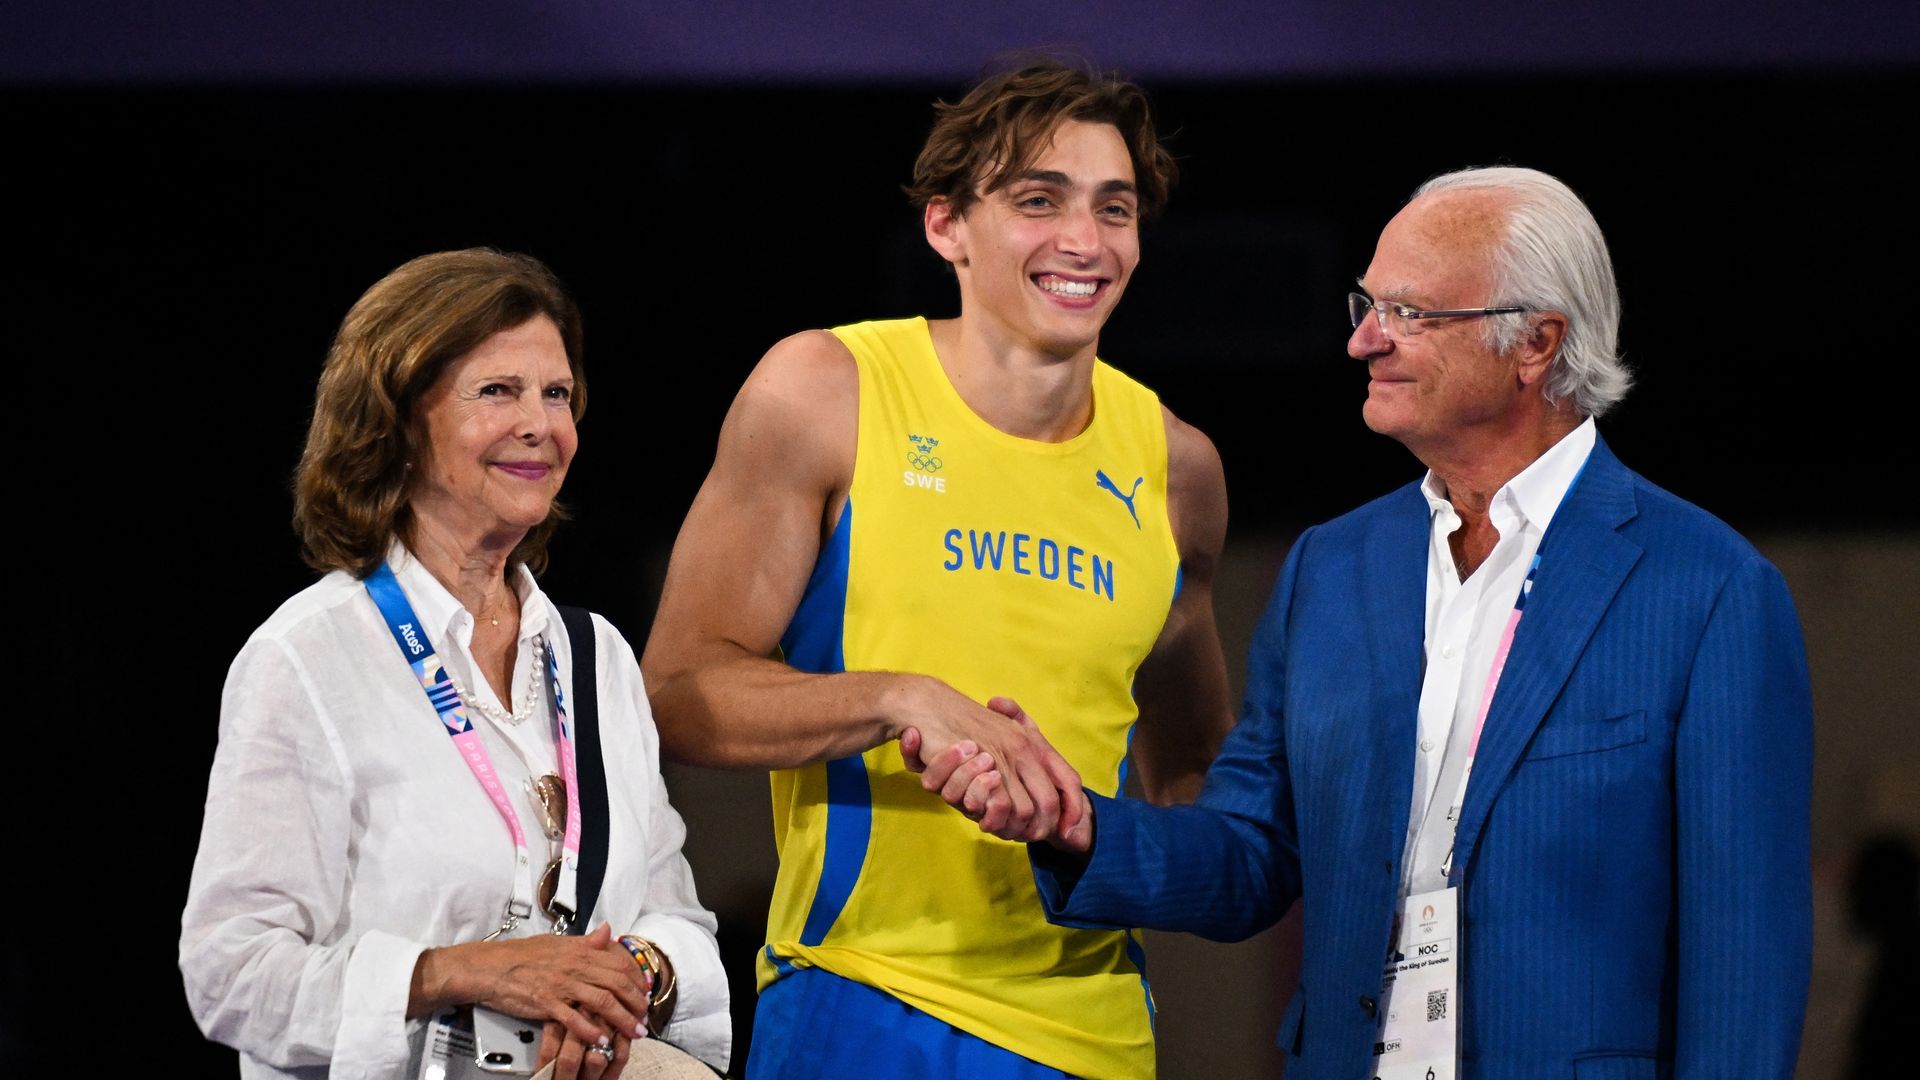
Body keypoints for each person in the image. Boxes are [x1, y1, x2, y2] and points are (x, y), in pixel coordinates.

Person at [923, 166, 1815, 1078]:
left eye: (1410, 313)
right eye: (1366, 302)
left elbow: (1743, 963)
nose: (1362, 341)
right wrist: (1073, 824)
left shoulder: (1708, 592)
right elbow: (1251, 849)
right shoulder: (1331, 570)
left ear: (1537, 344)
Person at [640, 60, 1233, 1079]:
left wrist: (1089, 834)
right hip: (859, 1003)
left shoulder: (1178, 469)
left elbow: (1196, 786)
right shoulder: (828, 391)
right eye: (1038, 201)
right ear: (946, 226)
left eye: (1115, 208)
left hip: (1095, 1038)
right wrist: (904, 700)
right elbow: (677, 693)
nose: (1084, 242)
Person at [180, 249, 730, 1079]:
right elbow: (231, 974)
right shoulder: (310, 658)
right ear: (398, 423)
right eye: (497, 392)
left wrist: (622, 985)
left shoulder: (596, 658)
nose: (540, 425)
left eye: (557, 394)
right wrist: (461, 973)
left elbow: (676, 918)